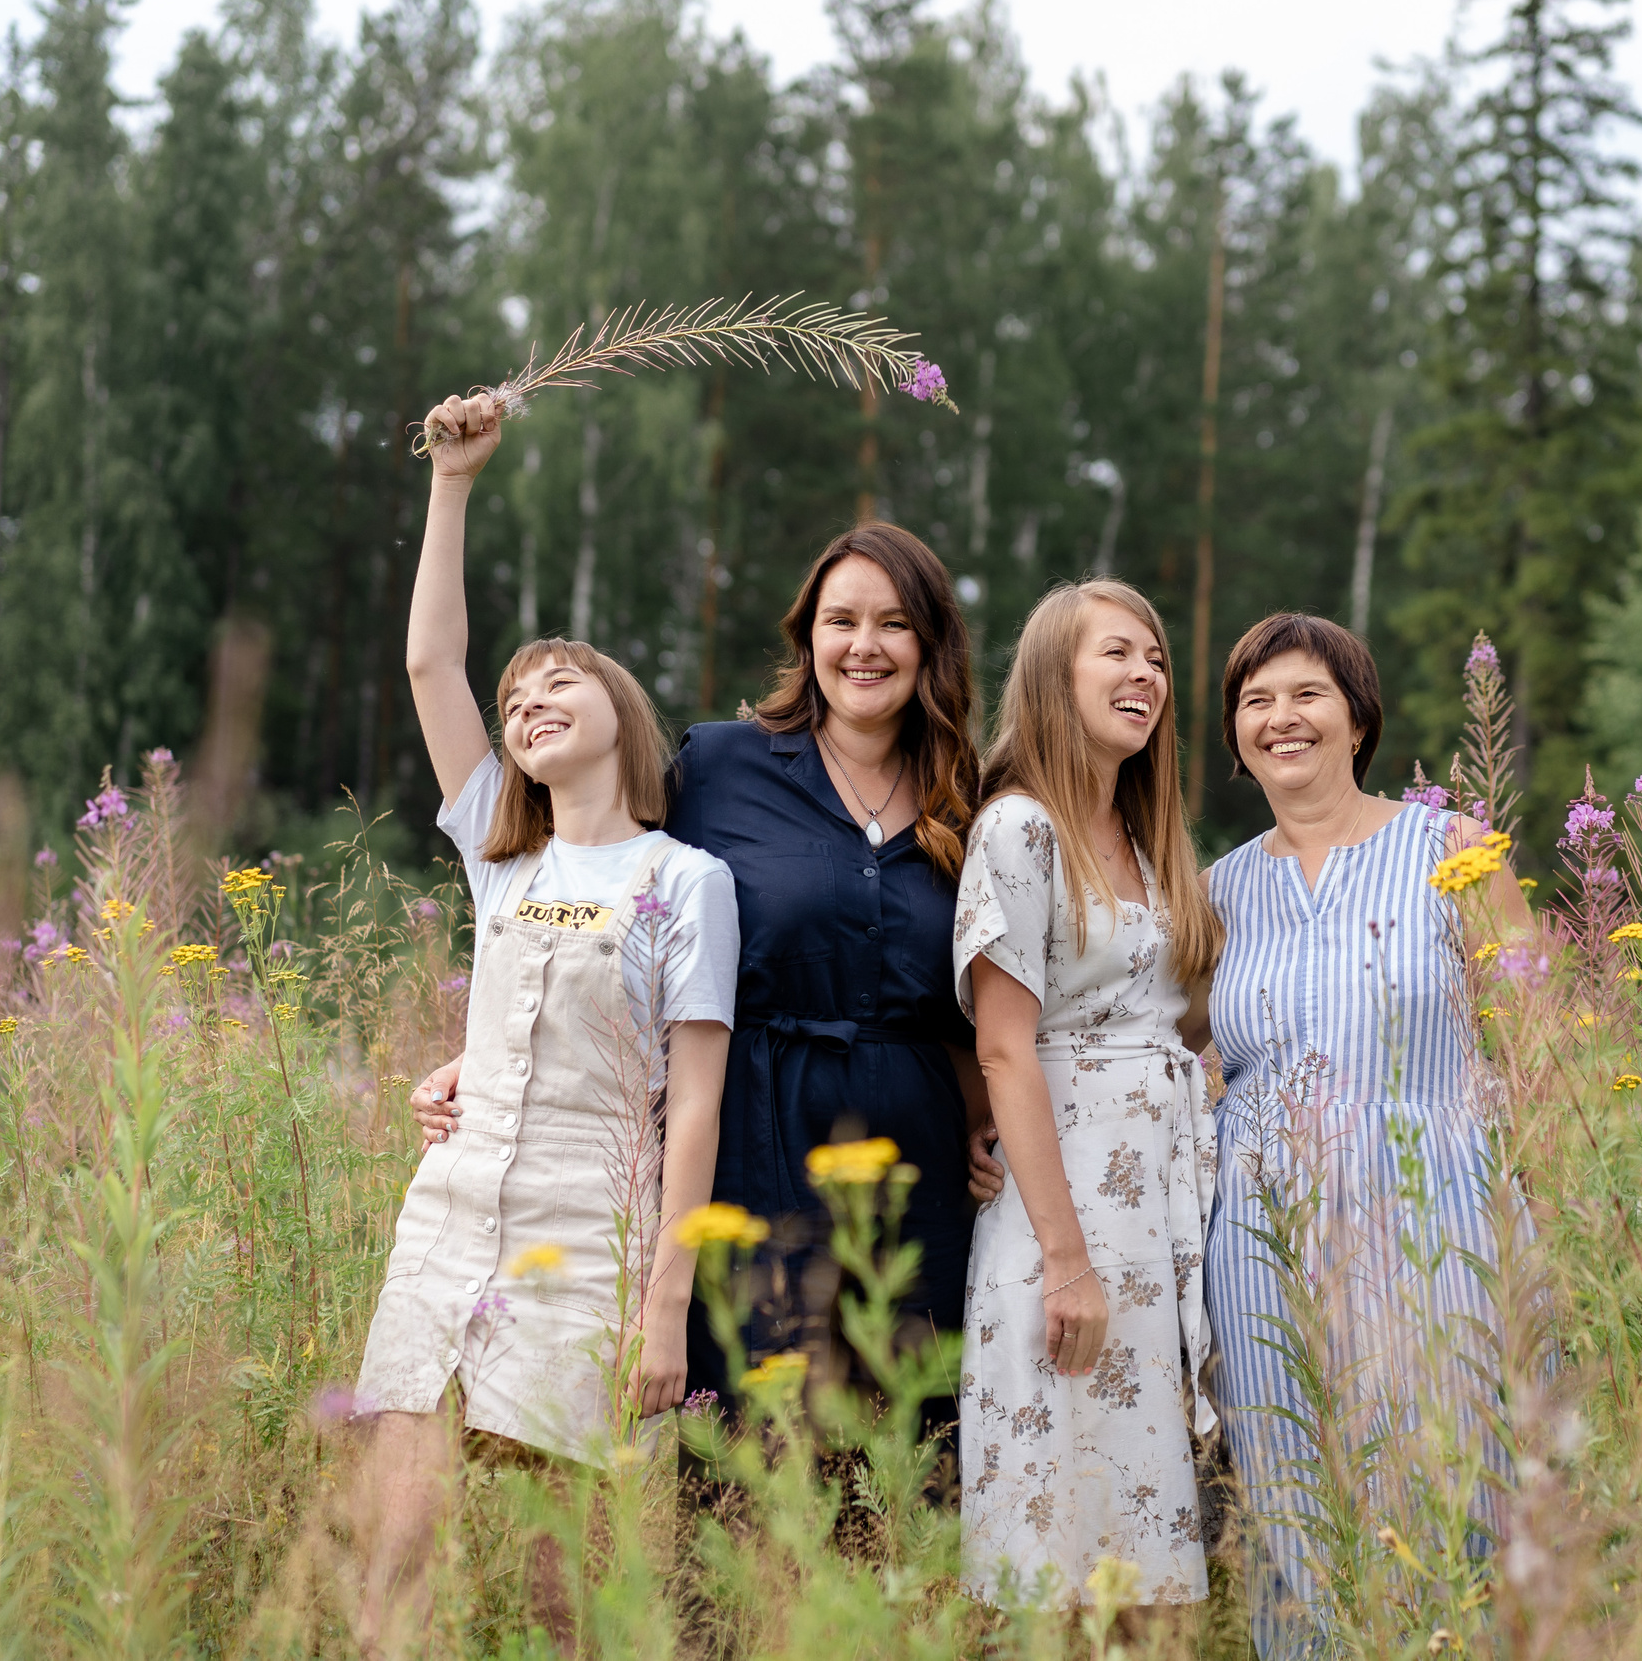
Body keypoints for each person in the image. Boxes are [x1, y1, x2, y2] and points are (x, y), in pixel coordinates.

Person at [422, 522, 1003, 1417]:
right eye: (840, 619)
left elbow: (970, 1000)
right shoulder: (720, 769)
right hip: (752, 1148)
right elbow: (615, 907)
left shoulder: (966, 793)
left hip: (914, 1167)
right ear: (808, 637)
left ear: (931, 642)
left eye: (893, 622)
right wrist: (492, 1056)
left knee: (912, 1447)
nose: (864, 645)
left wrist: (985, 1122)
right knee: (753, 1442)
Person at [352, 389, 739, 1651]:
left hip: (592, 1231)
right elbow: (426, 663)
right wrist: (451, 485)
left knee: (554, 1565)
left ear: (620, 713)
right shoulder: (500, 862)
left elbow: (696, 1106)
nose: (526, 703)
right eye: (515, 700)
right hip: (453, 1209)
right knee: (395, 1529)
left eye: (557, 682)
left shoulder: (688, 881)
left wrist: (665, 1303)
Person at [1200, 613, 1532, 1658]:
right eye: (1255, 702)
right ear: (1236, 739)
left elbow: (1541, 1043)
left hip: (1434, 1214)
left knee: (1449, 1480)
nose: (1280, 718)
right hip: (1262, 1238)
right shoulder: (1214, 894)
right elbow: (1179, 1063)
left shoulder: (1452, 848)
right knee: (1294, 1499)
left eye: (1305, 694)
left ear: (1356, 717)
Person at [951, 579, 1224, 1610]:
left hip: (1156, 1222)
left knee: (1142, 1544)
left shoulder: (1151, 842)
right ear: (1053, 675)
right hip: (1061, 1223)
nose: (1145, 674)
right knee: (1054, 1538)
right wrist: (1066, 1265)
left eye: (1155, 657)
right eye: (1117, 652)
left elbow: (1168, 1020)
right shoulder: (1020, 829)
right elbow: (1006, 1051)